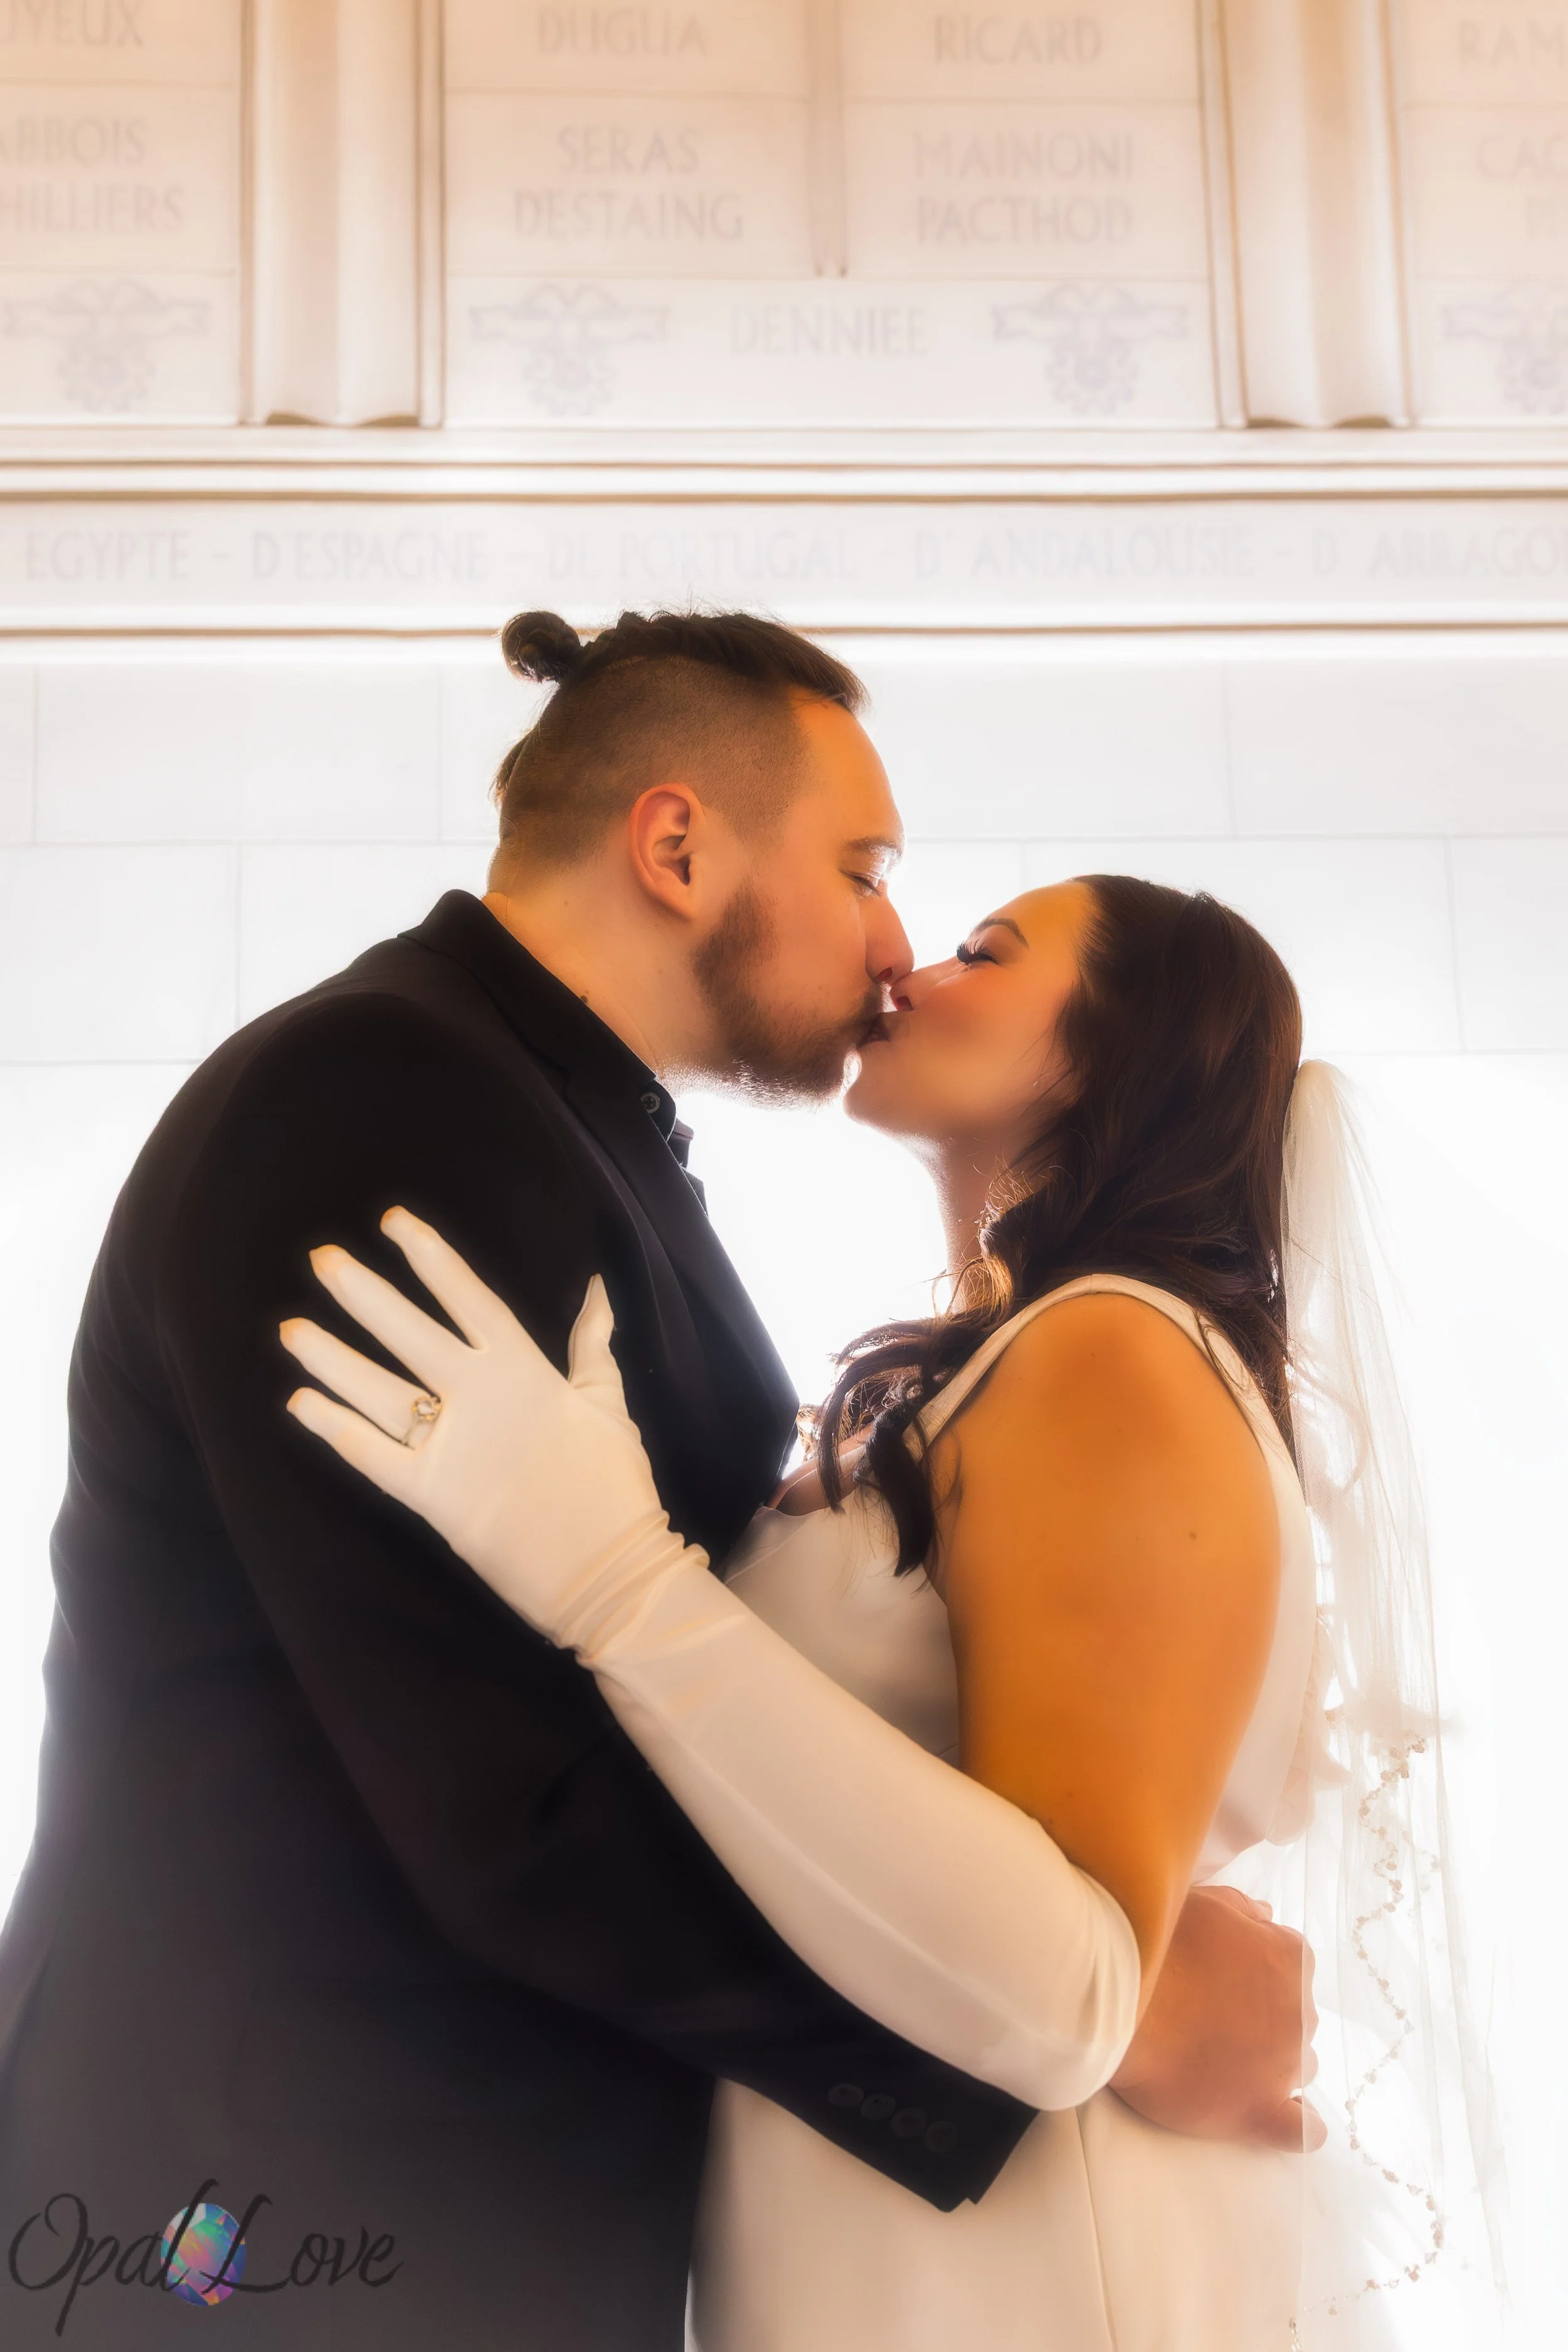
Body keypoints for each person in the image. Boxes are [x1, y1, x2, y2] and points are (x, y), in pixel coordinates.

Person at [0, 611, 1311, 2352]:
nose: (894, 940)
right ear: (677, 844)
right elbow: (514, 1791)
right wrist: (1096, 2017)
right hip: (268, 2206)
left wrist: (1075, 1976)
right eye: (861, 866)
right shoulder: (378, 1093)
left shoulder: (574, 1138)